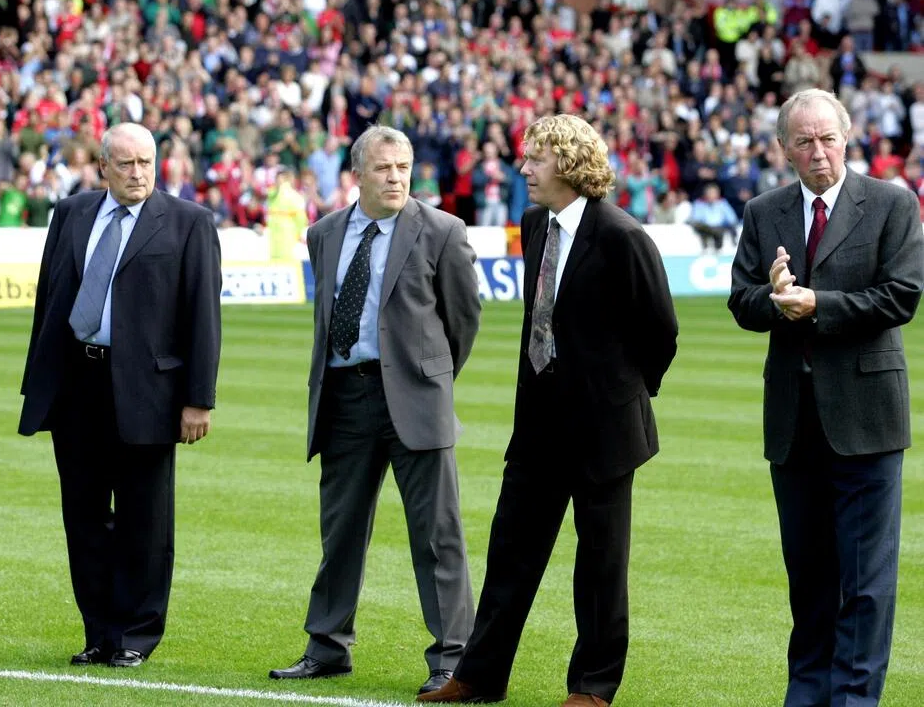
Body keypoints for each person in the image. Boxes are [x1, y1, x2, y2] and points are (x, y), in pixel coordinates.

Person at [420, 114, 678, 706]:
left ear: (566, 162)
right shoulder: (536, 222)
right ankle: (478, 674)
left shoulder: (622, 236)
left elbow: (660, 333)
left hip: (604, 432)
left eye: (534, 158)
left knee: (600, 566)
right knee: (510, 552)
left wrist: (621, 397)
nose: (523, 168)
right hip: (538, 427)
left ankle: (592, 687)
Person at [269, 125, 481, 696]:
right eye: (384, 168)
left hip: (416, 400)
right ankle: (327, 649)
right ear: (357, 174)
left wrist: (427, 378)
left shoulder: (442, 231)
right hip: (345, 400)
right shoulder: (324, 233)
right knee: (340, 534)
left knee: (438, 538)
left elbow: (463, 322)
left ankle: (453, 659)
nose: (396, 177)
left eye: (403, 167)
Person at [728, 88, 924, 707]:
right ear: (784, 148)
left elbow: (901, 297)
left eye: (829, 138)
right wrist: (775, 297)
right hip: (794, 421)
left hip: (866, 418)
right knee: (808, 577)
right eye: (805, 141)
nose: (819, 152)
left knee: (866, 584)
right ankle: (806, 695)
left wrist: (817, 305)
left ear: (848, 137)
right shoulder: (765, 211)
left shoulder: (891, 203)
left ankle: (855, 700)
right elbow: (742, 301)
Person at [18, 123, 222, 668]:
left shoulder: (189, 223)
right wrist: (39, 381)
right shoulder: (71, 213)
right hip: (77, 387)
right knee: (83, 518)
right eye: (126, 164)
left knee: (145, 522)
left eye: (146, 163)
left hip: (148, 393)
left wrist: (199, 398)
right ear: (102, 166)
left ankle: (136, 635)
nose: (138, 174)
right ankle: (99, 632)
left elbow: (204, 316)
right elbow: (50, 298)